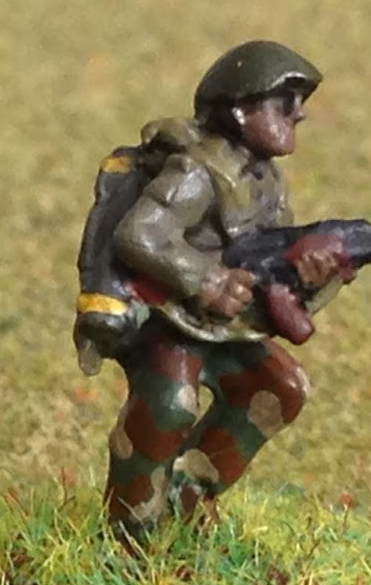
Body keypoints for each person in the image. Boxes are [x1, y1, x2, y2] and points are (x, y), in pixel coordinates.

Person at [85, 41, 351, 544]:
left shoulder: (267, 183)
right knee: (169, 407)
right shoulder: (197, 172)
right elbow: (139, 235)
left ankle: (189, 494)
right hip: (168, 320)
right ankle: (128, 534)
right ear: (240, 110)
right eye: (284, 101)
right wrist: (206, 281)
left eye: (300, 102)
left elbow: (270, 267)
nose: (299, 113)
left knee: (281, 388)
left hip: (225, 328)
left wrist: (314, 279)